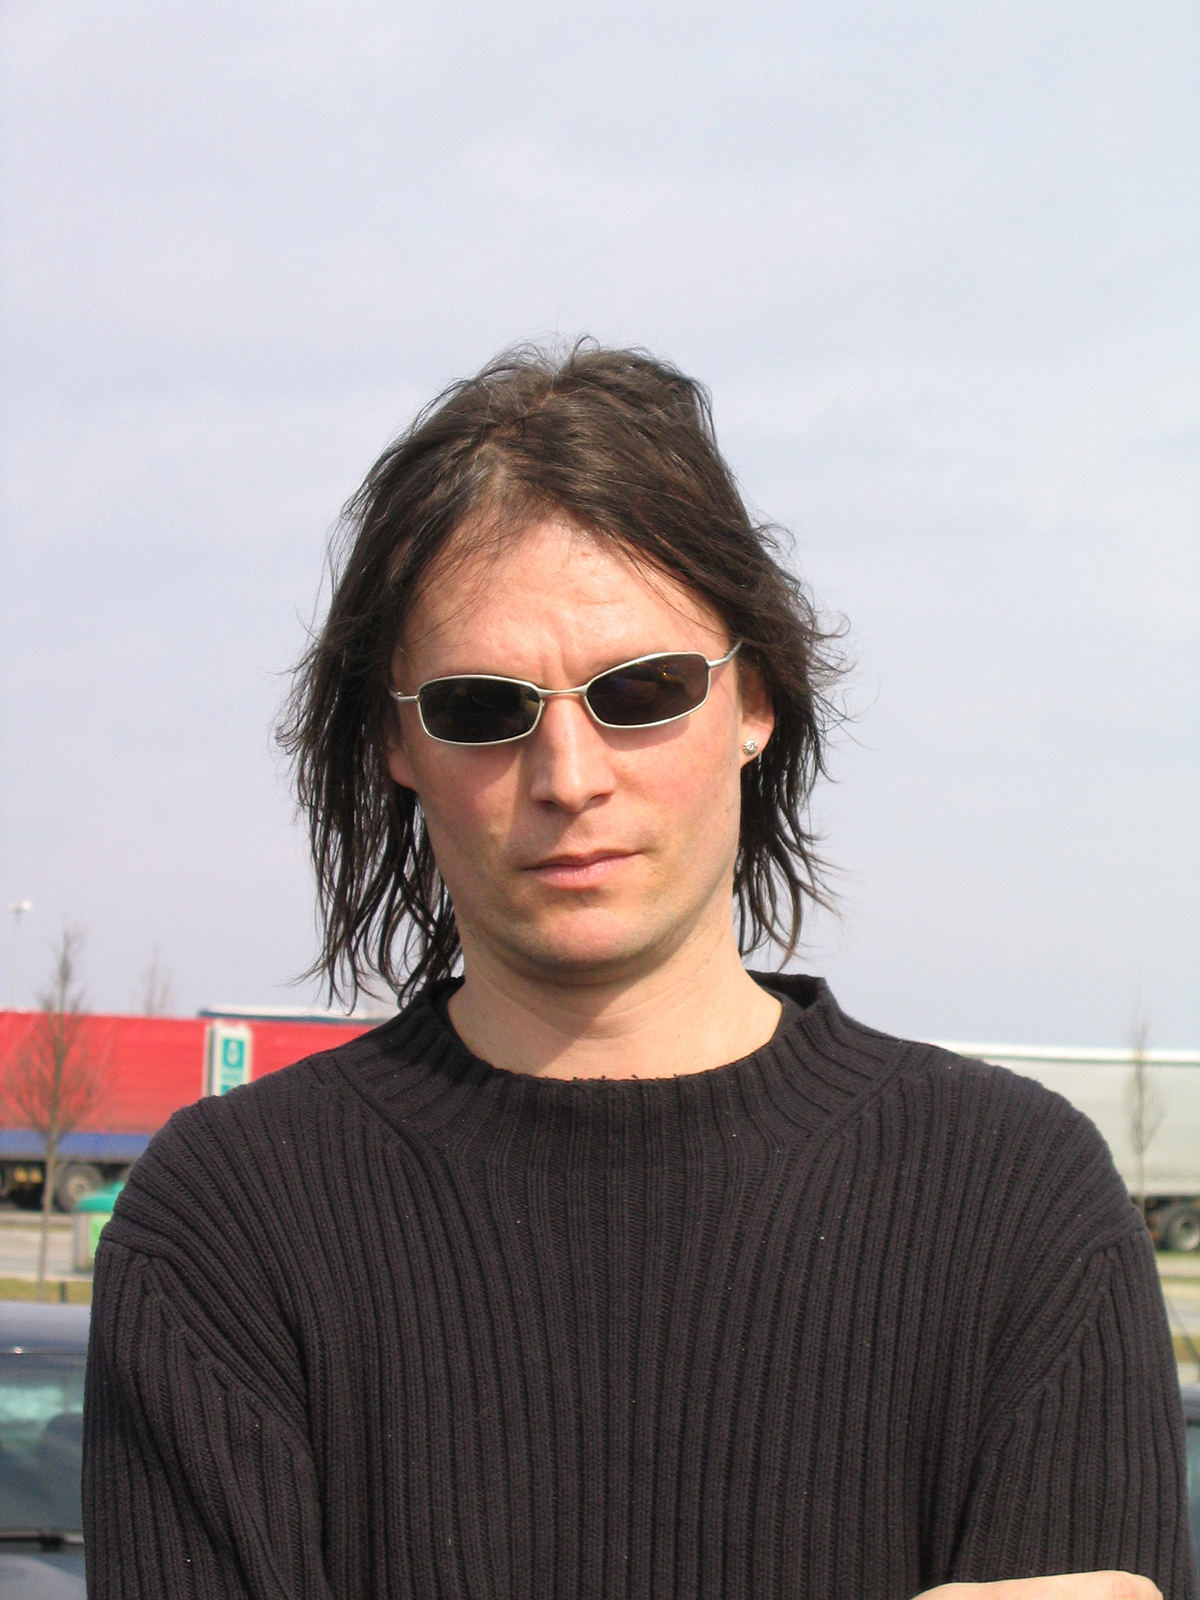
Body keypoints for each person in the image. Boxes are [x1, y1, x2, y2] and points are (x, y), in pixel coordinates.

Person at [83, 344, 1192, 1600]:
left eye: (643, 689)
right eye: (482, 706)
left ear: (755, 699)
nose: (569, 775)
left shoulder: (1021, 1208)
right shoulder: (227, 1227)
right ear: (397, 740)